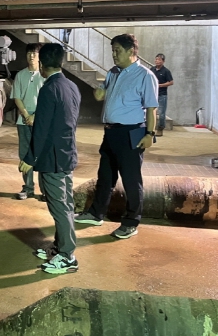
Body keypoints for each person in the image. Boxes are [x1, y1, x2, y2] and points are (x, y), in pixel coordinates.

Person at [74, 34, 158, 240]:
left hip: (131, 132)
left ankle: (131, 222)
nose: (113, 54)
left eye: (117, 50)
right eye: (112, 50)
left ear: (131, 51)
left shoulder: (145, 76)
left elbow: (152, 108)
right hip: (111, 131)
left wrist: (150, 134)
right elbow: (101, 94)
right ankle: (96, 214)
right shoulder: (113, 72)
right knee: (105, 176)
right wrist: (100, 92)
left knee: (131, 180)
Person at [19, 43, 81, 275]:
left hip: (53, 158)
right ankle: (59, 246)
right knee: (66, 203)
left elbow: (41, 127)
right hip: (67, 153)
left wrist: (30, 157)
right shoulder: (71, 86)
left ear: (42, 65)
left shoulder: (49, 89)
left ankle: (67, 256)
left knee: (59, 207)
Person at [11, 42, 45, 200]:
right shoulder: (20, 75)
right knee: (25, 154)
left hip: (42, 120)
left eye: (35, 53)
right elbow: (17, 97)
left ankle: (45, 190)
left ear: (40, 56)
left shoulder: (45, 75)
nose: (31, 56)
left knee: (42, 154)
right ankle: (28, 188)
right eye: (29, 53)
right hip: (23, 121)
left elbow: (48, 100)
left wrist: (35, 116)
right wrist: (26, 115)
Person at [150, 53, 174, 137]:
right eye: (156, 59)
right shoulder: (152, 69)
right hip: (153, 94)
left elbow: (171, 82)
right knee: (150, 111)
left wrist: (160, 85)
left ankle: (160, 128)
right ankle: (151, 129)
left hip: (162, 95)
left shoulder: (166, 71)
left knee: (161, 113)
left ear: (163, 61)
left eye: (159, 60)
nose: (157, 61)